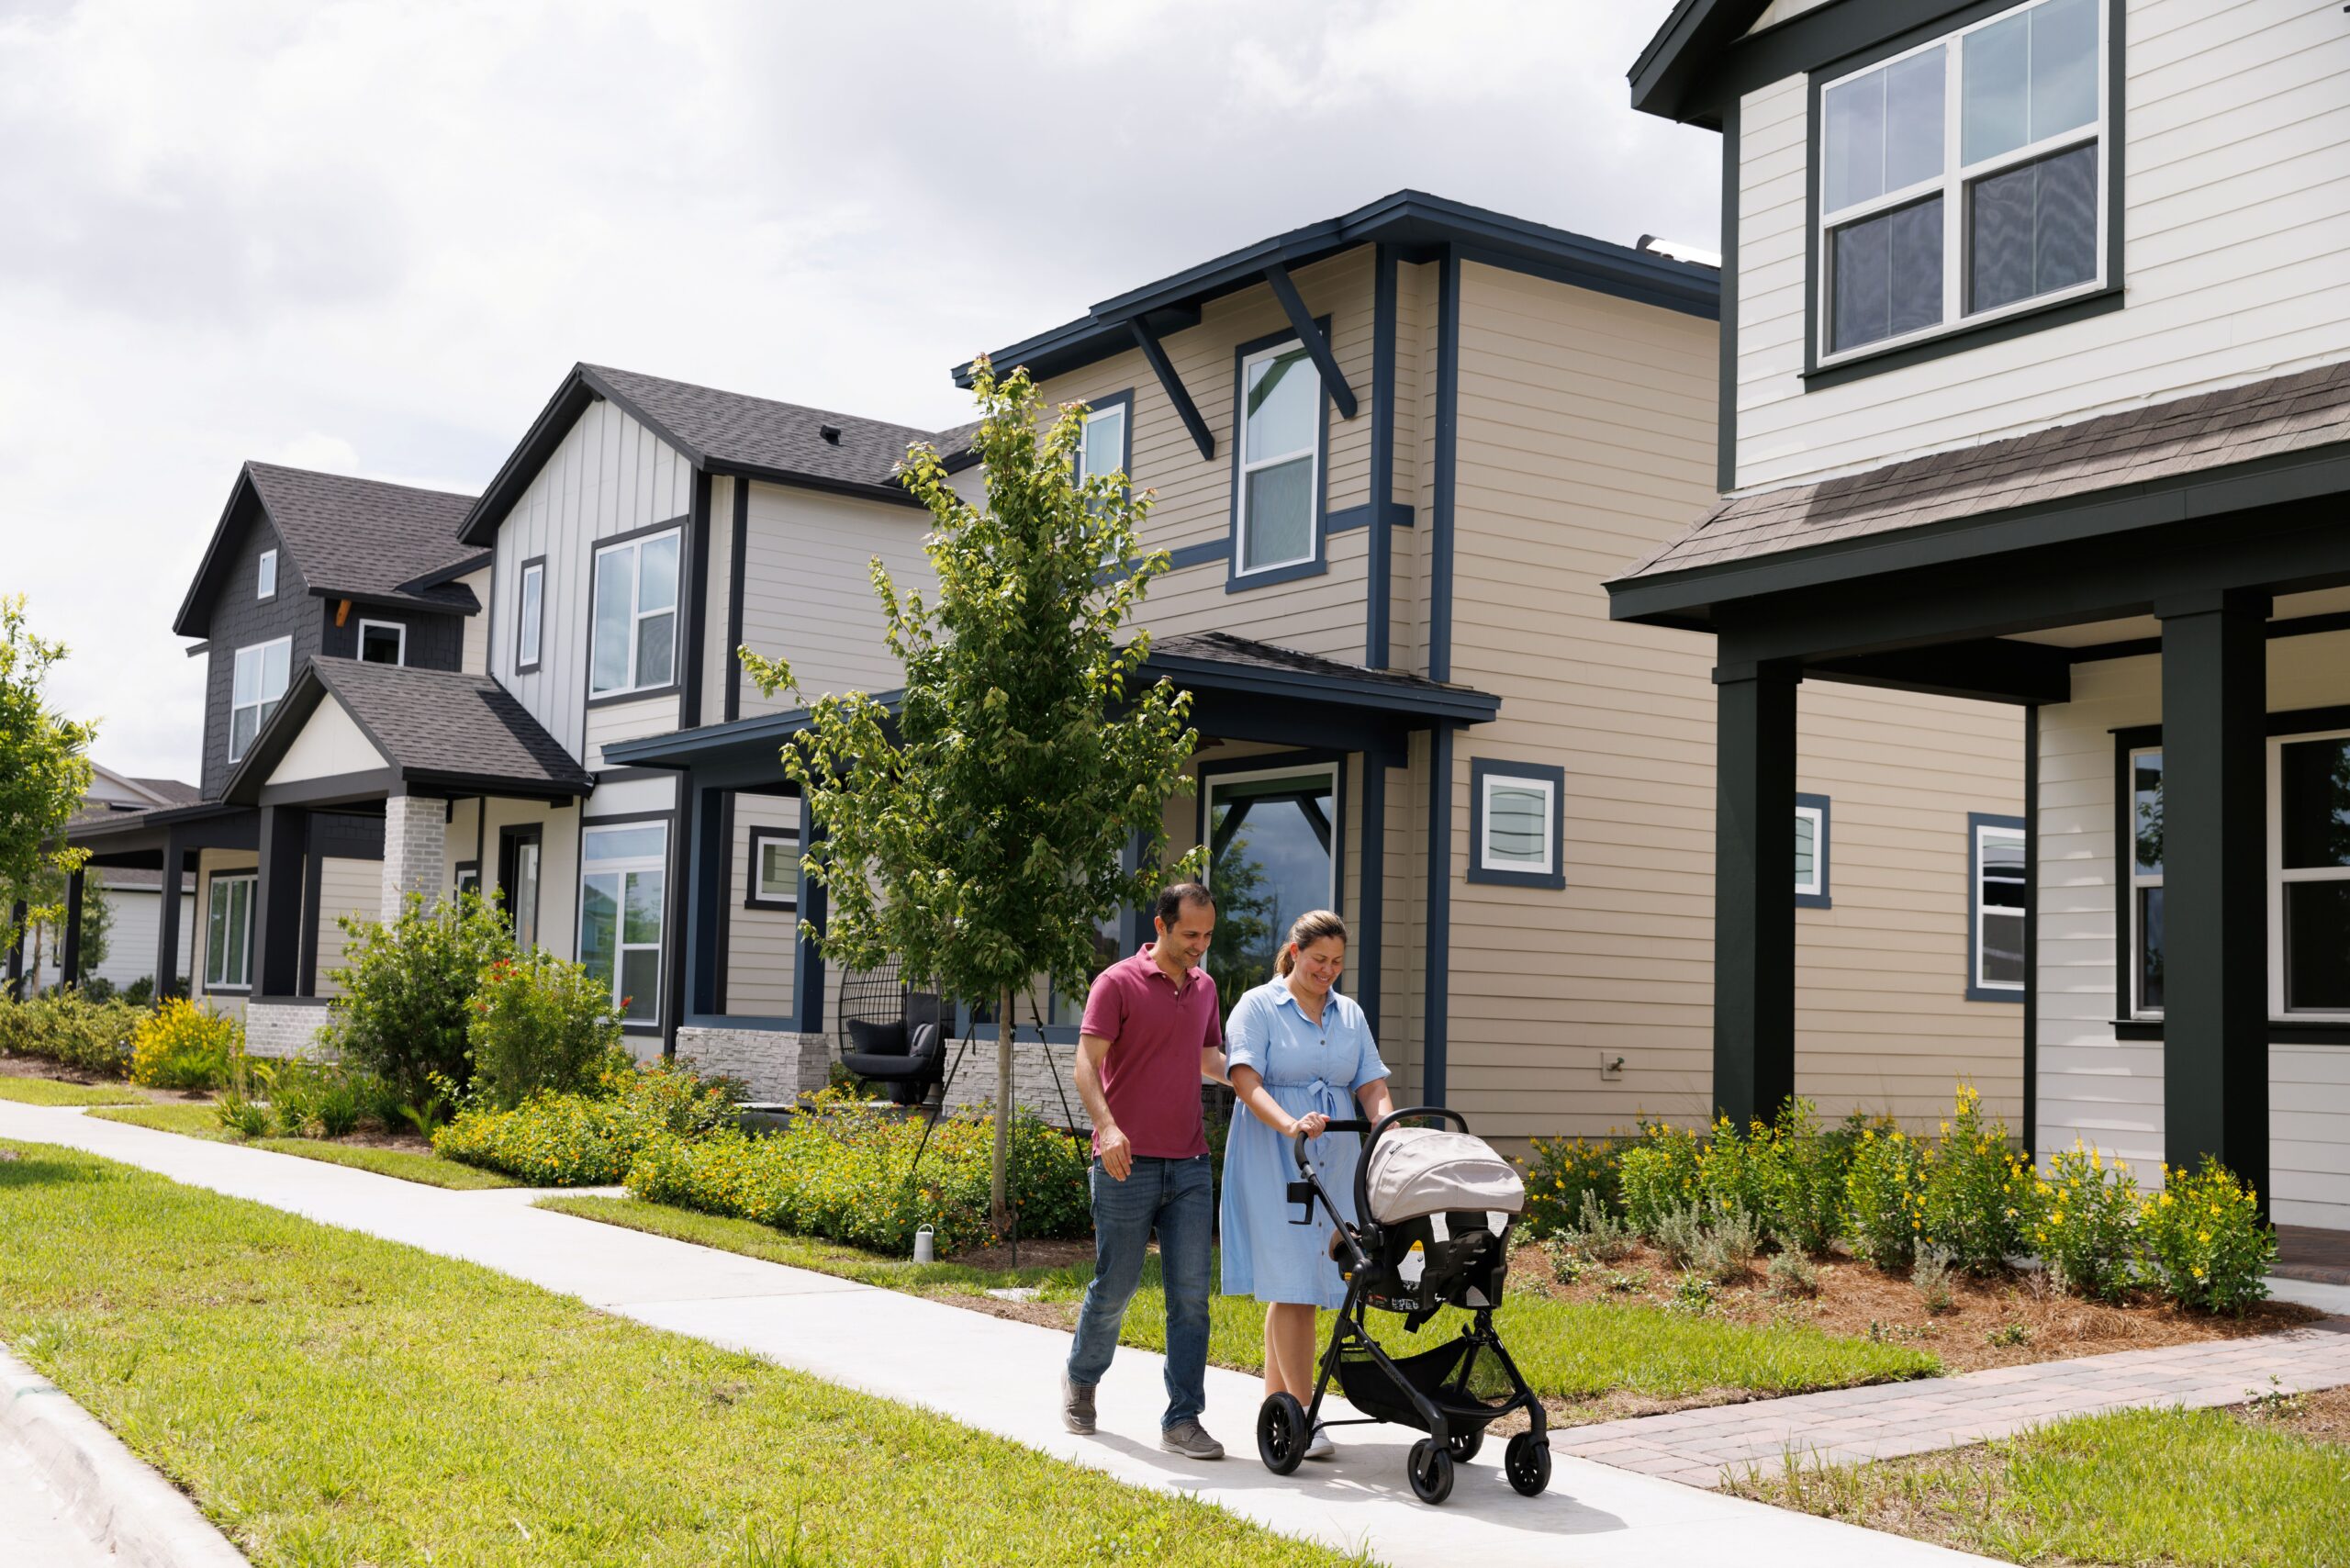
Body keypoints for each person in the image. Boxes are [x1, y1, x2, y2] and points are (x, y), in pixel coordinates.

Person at [1061, 882, 1230, 1460]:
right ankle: (1082, 1378)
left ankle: (1183, 1418)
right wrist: (1107, 1128)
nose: (1200, 947)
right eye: (1190, 935)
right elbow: (1087, 1062)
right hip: (1124, 1162)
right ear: (1160, 925)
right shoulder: (1116, 983)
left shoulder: (1205, 988)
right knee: (1117, 1285)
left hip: (1189, 1162)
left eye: (1207, 936)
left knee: (1190, 1297)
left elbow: (1209, 1060)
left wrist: (1261, 1081)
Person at [1219, 909, 1393, 1462]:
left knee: (1311, 1280)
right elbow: (1244, 1079)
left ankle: (1281, 1413)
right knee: (1292, 1280)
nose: (1329, 971)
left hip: (1335, 1155)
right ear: (1294, 952)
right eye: (1319, 960)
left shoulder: (1350, 1014)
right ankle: (1307, 1409)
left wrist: (1388, 1129)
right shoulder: (1258, 1006)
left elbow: (1371, 1083)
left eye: (1338, 962)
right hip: (1276, 1148)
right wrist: (1289, 1122)